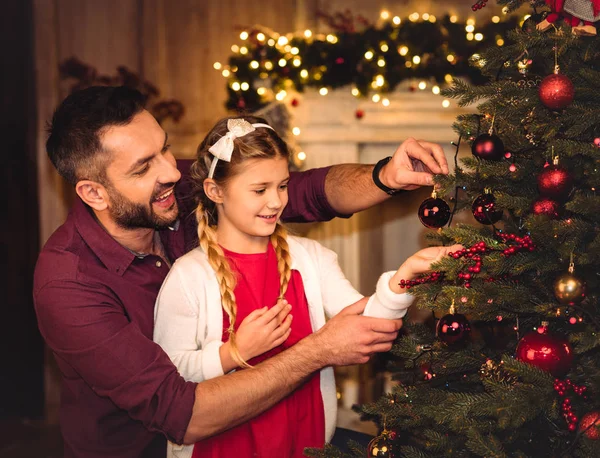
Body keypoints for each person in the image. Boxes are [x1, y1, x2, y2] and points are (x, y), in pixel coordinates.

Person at [32, 85, 449, 458]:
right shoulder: (68, 284)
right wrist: (313, 351)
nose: (172, 172)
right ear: (93, 193)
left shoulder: (177, 193)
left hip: (280, 429)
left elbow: (305, 191)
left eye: (164, 148)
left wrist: (386, 176)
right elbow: (182, 413)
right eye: (144, 168)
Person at [153, 116, 460, 458]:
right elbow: (169, 381)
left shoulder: (311, 259)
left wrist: (405, 276)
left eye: (282, 186)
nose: (276, 202)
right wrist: (231, 354)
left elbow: (369, 327)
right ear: (215, 191)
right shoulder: (188, 276)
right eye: (259, 190)